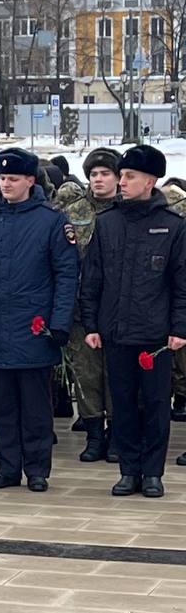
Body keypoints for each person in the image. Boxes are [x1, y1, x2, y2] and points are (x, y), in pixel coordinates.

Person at [0, 147, 78, 492]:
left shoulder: (52, 221)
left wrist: (59, 323)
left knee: (35, 406)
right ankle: (7, 467)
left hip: (35, 329)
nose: (6, 184)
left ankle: (37, 468)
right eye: (2, 178)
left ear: (31, 180)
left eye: (13, 178)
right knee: (4, 405)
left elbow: (67, 275)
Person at [80, 145, 186, 498]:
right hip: (116, 331)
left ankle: (153, 473)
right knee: (121, 402)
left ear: (150, 181)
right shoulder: (107, 222)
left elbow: (181, 282)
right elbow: (92, 278)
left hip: (156, 335)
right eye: (121, 176)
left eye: (129, 177)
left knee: (156, 405)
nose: (121, 182)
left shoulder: (173, 226)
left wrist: (178, 328)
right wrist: (91, 324)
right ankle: (129, 469)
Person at [58, 147, 120, 462]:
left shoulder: (129, 210)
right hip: (81, 311)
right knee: (86, 376)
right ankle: (94, 436)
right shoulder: (73, 212)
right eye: (93, 174)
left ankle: (117, 435)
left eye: (105, 173)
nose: (98, 179)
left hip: (119, 312)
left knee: (117, 377)